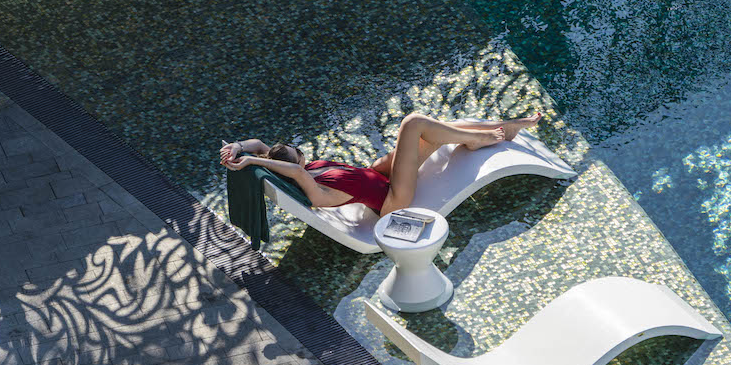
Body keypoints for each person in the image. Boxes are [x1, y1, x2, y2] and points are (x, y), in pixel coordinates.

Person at [220, 112, 542, 217]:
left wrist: (239, 148)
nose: (301, 153)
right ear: (297, 167)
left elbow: (262, 147)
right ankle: (479, 139)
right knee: (414, 122)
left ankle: (498, 128)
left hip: (376, 175)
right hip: (392, 199)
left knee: (434, 130)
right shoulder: (310, 186)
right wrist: (248, 160)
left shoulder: (299, 168)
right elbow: (291, 169)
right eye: (298, 154)